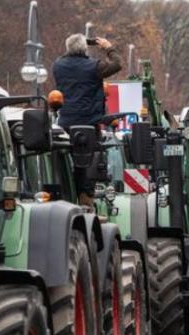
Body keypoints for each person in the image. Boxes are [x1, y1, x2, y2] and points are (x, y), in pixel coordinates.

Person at [53, 33, 122, 206]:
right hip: (89, 125)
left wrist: (79, 46)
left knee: (67, 163)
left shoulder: (58, 65)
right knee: (87, 166)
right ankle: (86, 204)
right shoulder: (94, 66)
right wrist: (108, 47)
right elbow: (117, 64)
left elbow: (66, 58)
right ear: (85, 49)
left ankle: (66, 198)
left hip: (65, 124)